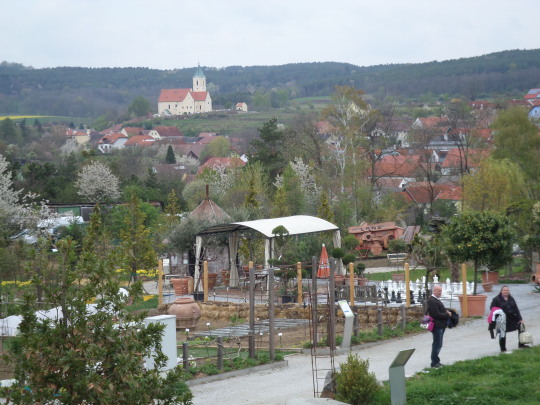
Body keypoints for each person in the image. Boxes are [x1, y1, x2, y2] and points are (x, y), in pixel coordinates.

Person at [489, 285, 524, 352]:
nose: (506, 291)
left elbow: (516, 309)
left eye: (507, 290)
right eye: (504, 290)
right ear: (501, 291)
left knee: (521, 328)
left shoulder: (511, 298)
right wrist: (499, 312)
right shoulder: (496, 299)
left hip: (512, 318)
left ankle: (521, 344)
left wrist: (520, 319)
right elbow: (492, 308)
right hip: (502, 319)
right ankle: (503, 349)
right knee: (502, 333)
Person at [427, 284, 451, 368]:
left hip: (440, 325)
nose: (440, 292)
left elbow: (439, 311)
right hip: (437, 325)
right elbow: (436, 314)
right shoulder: (432, 300)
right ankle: (434, 362)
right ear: (434, 291)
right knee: (437, 344)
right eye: (439, 291)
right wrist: (447, 314)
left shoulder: (436, 300)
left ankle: (436, 361)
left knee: (438, 344)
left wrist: (446, 311)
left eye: (441, 291)